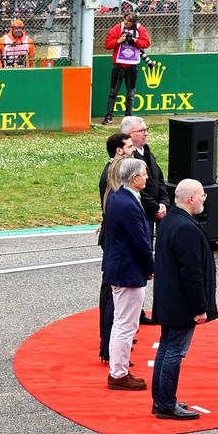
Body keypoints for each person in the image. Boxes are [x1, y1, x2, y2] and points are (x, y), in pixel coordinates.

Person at [151, 178, 216, 421]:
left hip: (169, 298)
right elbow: (192, 273)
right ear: (191, 198)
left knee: (166, 347)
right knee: (174, 351)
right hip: (181, 303)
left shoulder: (169, 220)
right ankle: (166, 404)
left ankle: (160, 399)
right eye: (201, 195)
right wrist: (200, 307)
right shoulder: (186, 227)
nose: (204, 199)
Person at [102, 156, 153, 391]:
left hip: (121, 268)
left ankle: (118, 370)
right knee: (126, 325)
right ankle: (119, 373)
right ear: (134, 178)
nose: (147, 177)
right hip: (128, 271)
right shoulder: (127, 204)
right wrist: (150, 267)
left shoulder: (118, 197)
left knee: (121, 323)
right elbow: (140, 241)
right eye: (144, 174)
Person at [96, 131, 128, 363]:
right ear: (119, 150)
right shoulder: (111, 175)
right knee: (110, 294)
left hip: (114, 238)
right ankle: (107, 346)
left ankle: (112, 344)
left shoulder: (115, 172)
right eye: (129, 147)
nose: (133, 150)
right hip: (115, 241)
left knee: (114, 293)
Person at [102, 4, 152, 122]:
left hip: (133, 65)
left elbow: (146, 43)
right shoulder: (117, 28)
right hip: (119, 65)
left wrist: (134, 41)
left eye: (129, 21)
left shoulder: (140, 29)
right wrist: (118, 40)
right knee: (113, 91)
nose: (126, 22)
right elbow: (107, 44)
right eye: (125, 19)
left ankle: (128, 116)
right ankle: (108, 116)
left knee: (131, 92)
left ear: (134, 22)